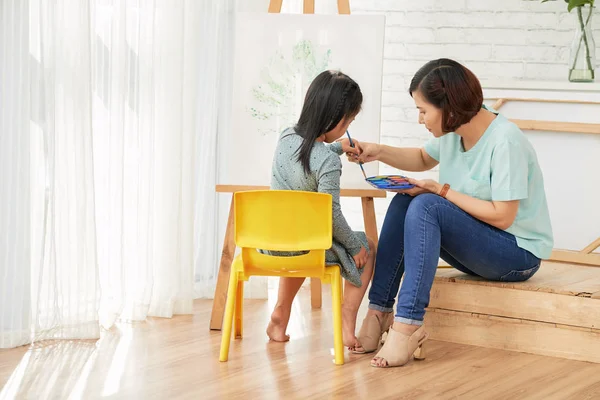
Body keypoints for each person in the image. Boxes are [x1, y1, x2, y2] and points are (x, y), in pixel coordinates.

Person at [343, 58, 554, 368]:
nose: (420, 119)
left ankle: (408, 324)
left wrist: (439, 190)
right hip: (483, 245)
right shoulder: (455, 133)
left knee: (428, 203)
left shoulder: (506, 142)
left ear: (450, 108)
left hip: (517, 254)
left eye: (423, 111)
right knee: (405, 199)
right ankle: (379, 311)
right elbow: (421, 157)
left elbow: (503, 217)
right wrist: (379, 151)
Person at [264, 70, 376, 352]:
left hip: (271, 243)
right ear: (334, 118)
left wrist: (336, 147)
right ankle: (346, 321)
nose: (348, 126)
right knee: (368, 246)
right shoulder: (328, 163)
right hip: (306, 246)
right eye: (349, 121)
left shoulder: (286, 136)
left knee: (301, 241)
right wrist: (355, 246)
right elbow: (331, 215)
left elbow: (308, 154)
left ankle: (280, 312)